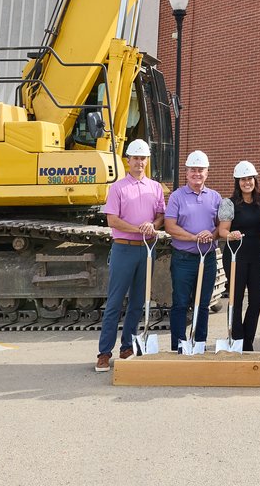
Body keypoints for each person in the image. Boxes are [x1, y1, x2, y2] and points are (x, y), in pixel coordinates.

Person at [96, 138, 166, 371]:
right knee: (115, 302)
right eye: (135, 158)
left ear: (147, 161)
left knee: (138, 301)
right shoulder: (117, 188)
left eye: (143, 158)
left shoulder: (155, 187)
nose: (139, 162)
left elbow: (160, 216)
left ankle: (127, 347)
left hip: (147, 250)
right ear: (128, 160)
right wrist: (139, 229)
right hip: (124, 248)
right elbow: (112, 220)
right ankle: (104, 353)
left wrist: (152, 225)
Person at [164, 149, 222, 352]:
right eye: (193, 170)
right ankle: (178, 346)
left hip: (208, 258)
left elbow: (221, 226)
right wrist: (193, 238)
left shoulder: (215, 197)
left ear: (207, 172)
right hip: (183, 258)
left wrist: (211, 235)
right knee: (180, 303)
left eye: (201, 170)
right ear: (186, 172)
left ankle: (199, 344)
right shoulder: (177, 196)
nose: (197, 174)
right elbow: (169, 226)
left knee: (203, 303)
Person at [215, 160, 260, 351]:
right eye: (242, 179)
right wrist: (230, 235)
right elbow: (222, 229)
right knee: (235, 300)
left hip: (255, 256)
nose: (247, 182)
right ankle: (236, 340)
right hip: (235, 256)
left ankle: (248, 341)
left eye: (250, 178)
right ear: (237, 182)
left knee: (256, 300)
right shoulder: (229, 204)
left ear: (255, 180)